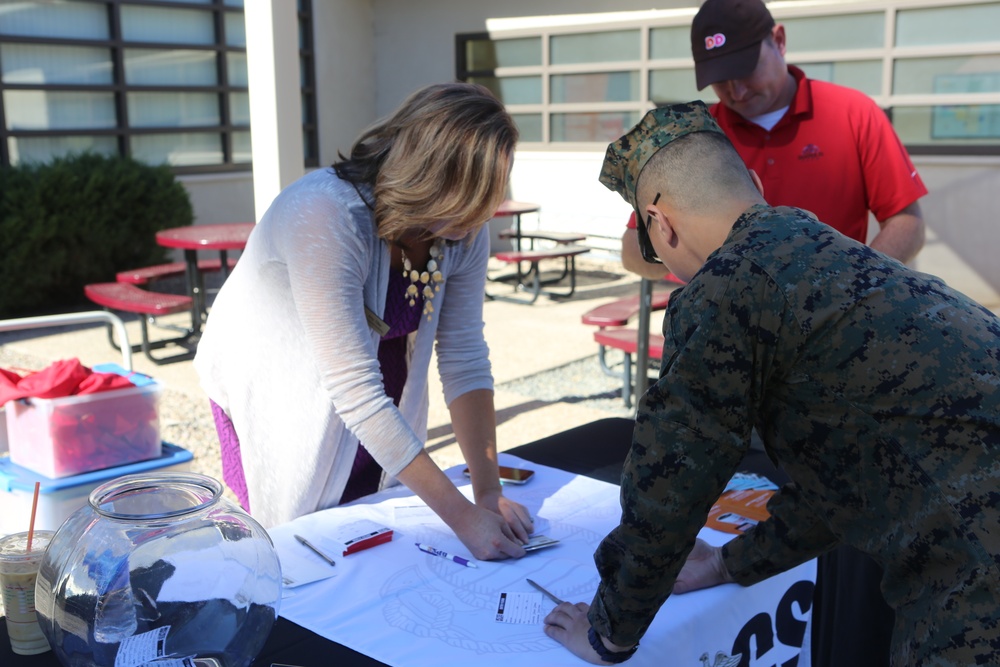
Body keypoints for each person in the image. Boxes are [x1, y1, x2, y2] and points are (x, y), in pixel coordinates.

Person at [543, 102, 1000, 666]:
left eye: (650, 243)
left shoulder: (725, 289)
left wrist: (609, 632)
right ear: (753, 183)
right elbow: (849, 474)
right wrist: (728, 563)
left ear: (661, 224)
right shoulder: (833, 253)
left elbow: (671, 481)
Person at [193, 82, 533, 560]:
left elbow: (464, 356)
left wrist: (487, 490)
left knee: (366, 532)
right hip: (278, 382)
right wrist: (462, 519)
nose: (481, 218)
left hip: (369, 382)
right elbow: (355, 388)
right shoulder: (325, 214)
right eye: (468, 198)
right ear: (427, 174)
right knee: (300, 545)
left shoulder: (462, 230)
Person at [621, 0, 927, 280]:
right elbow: (633, 252)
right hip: (731, 323)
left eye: (745, 70)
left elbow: (906, 221)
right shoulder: (692, 138)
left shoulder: (853, 113)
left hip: (835, 317)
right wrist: (697, 261)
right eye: (720, 79)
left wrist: (858, 284)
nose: (736, 92)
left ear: (779, 41)